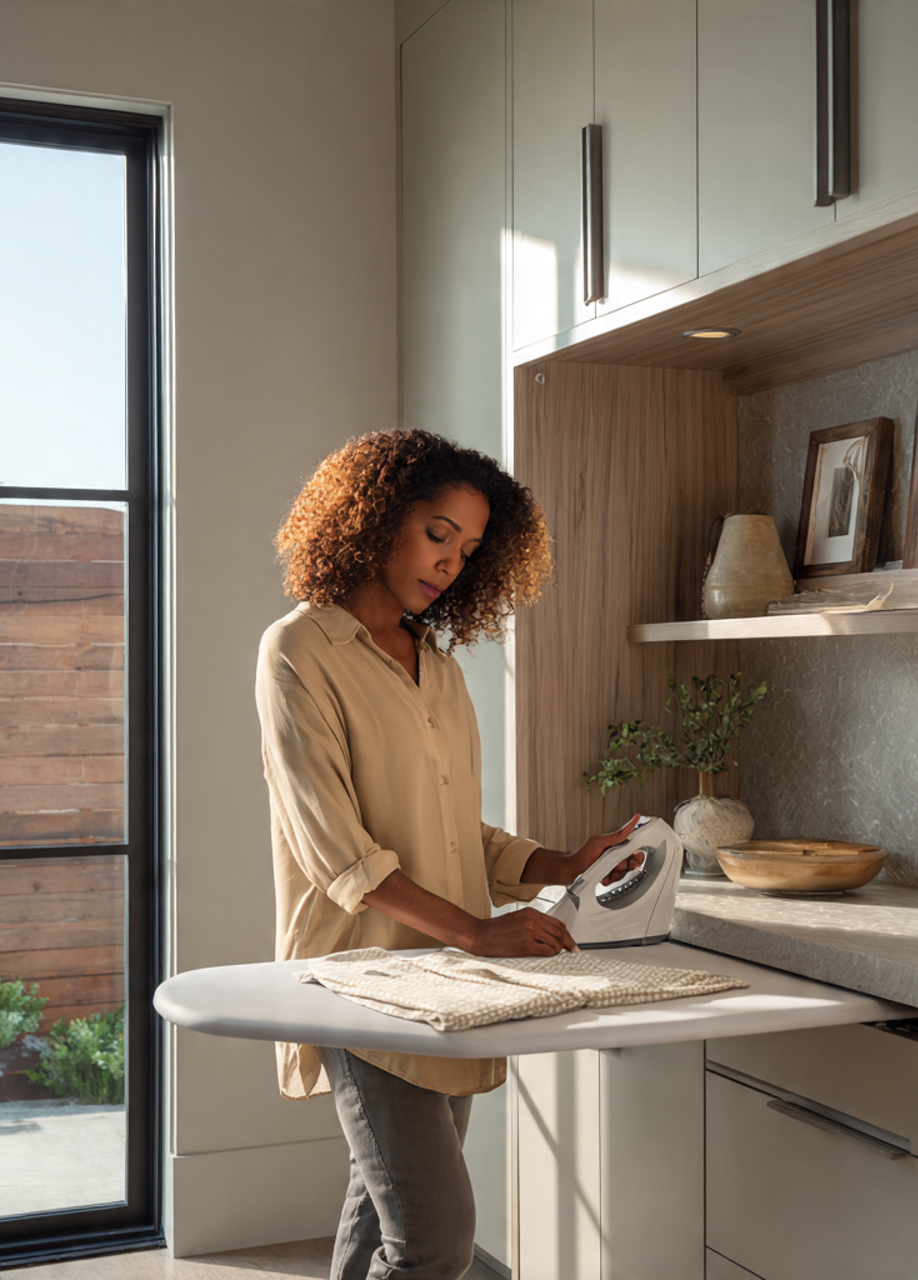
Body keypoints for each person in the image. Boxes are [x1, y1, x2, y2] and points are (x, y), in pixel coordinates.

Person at [255, 429, 640, 1280]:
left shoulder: (440, 668)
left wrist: (564, 865)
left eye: (468, 551)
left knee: (384, 1212)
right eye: (438, 534)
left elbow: (460, 832)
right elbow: (338, 853)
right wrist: (477, 931)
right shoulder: (298, 651)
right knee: (434, 1239)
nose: (449, 564)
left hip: (447, 979)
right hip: (359, 979)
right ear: (376, 518)